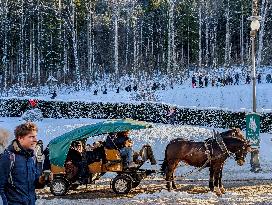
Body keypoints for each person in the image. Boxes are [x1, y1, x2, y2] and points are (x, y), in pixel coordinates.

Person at [0, 122, 47, 205]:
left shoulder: (32, 157)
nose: (35, 140)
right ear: (20, 138)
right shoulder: (8, 157)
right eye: (31, 137)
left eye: (35, 136)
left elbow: (34, 185)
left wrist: (41, 180)